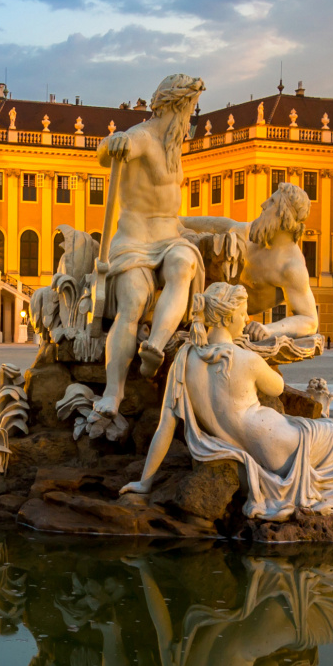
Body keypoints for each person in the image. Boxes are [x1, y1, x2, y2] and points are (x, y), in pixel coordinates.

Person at [121, 282, 333, 518]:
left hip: (265, 453)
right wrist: (258, 343)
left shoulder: (184, 360)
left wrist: (144, 482)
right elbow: (278, 387)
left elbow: (164, 427)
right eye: (243, 314)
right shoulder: (245, 359)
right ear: (228, 316)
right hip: (287, 442)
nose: (248, 319)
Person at [88, 72, 207, 420]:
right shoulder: (141, 137)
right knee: (133, 301)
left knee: (185, 264)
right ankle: (114, 391)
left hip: (170, 238)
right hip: (135, 241)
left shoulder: (175, 147)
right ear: (172, 107)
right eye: (188, 111)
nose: (190, 120)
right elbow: (106, 151)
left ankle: (155, 344)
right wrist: (114, 143)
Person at [187, 182, 322, 359]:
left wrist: (268, 329)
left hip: (225, 322)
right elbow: (223, 225)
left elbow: (310, 320)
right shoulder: (256, 234)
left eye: (272, 202)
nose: (263, 205)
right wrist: (179, 220)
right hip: (200, 298)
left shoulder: (291, 267)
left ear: (283, 214)